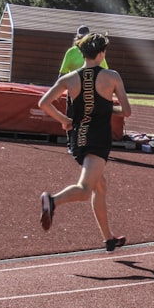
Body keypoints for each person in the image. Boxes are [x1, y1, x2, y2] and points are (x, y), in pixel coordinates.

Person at [38, 33, 132, 252]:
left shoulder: (69, 78)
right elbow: (126, 111)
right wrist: (107, 107)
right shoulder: (112, 76)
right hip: (98, 139)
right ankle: (51, 201)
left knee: (101, 186)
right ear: (101, 54)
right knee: (85, 189)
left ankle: (109, 238)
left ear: (81, 54)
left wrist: (65, 120)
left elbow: (44, 102)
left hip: (79, 137)